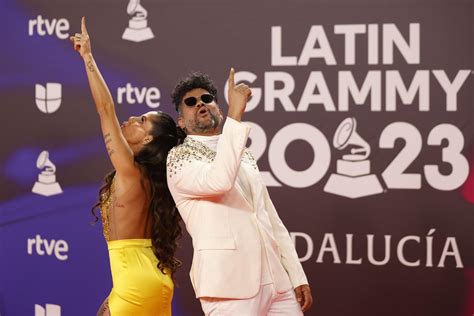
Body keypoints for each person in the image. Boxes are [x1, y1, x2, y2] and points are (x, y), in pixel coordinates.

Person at [166, 69, 313, 315]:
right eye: (190, 103)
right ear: (181, 121)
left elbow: (270, 217)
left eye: (207, 99)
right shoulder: (179, 158)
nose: (200, 103)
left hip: (277, 282)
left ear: (218, 110)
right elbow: (219, 181)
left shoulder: (243, 153)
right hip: (229, 285)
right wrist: (236, 113)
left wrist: (296, 275)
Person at [70, 17, 183, 316]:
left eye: (141, 121)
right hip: (155, 282)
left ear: (148, 139)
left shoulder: (130, 171)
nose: (132, 119)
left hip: (134, 284)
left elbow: (105, 109)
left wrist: (88, 58)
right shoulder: (151, 179)